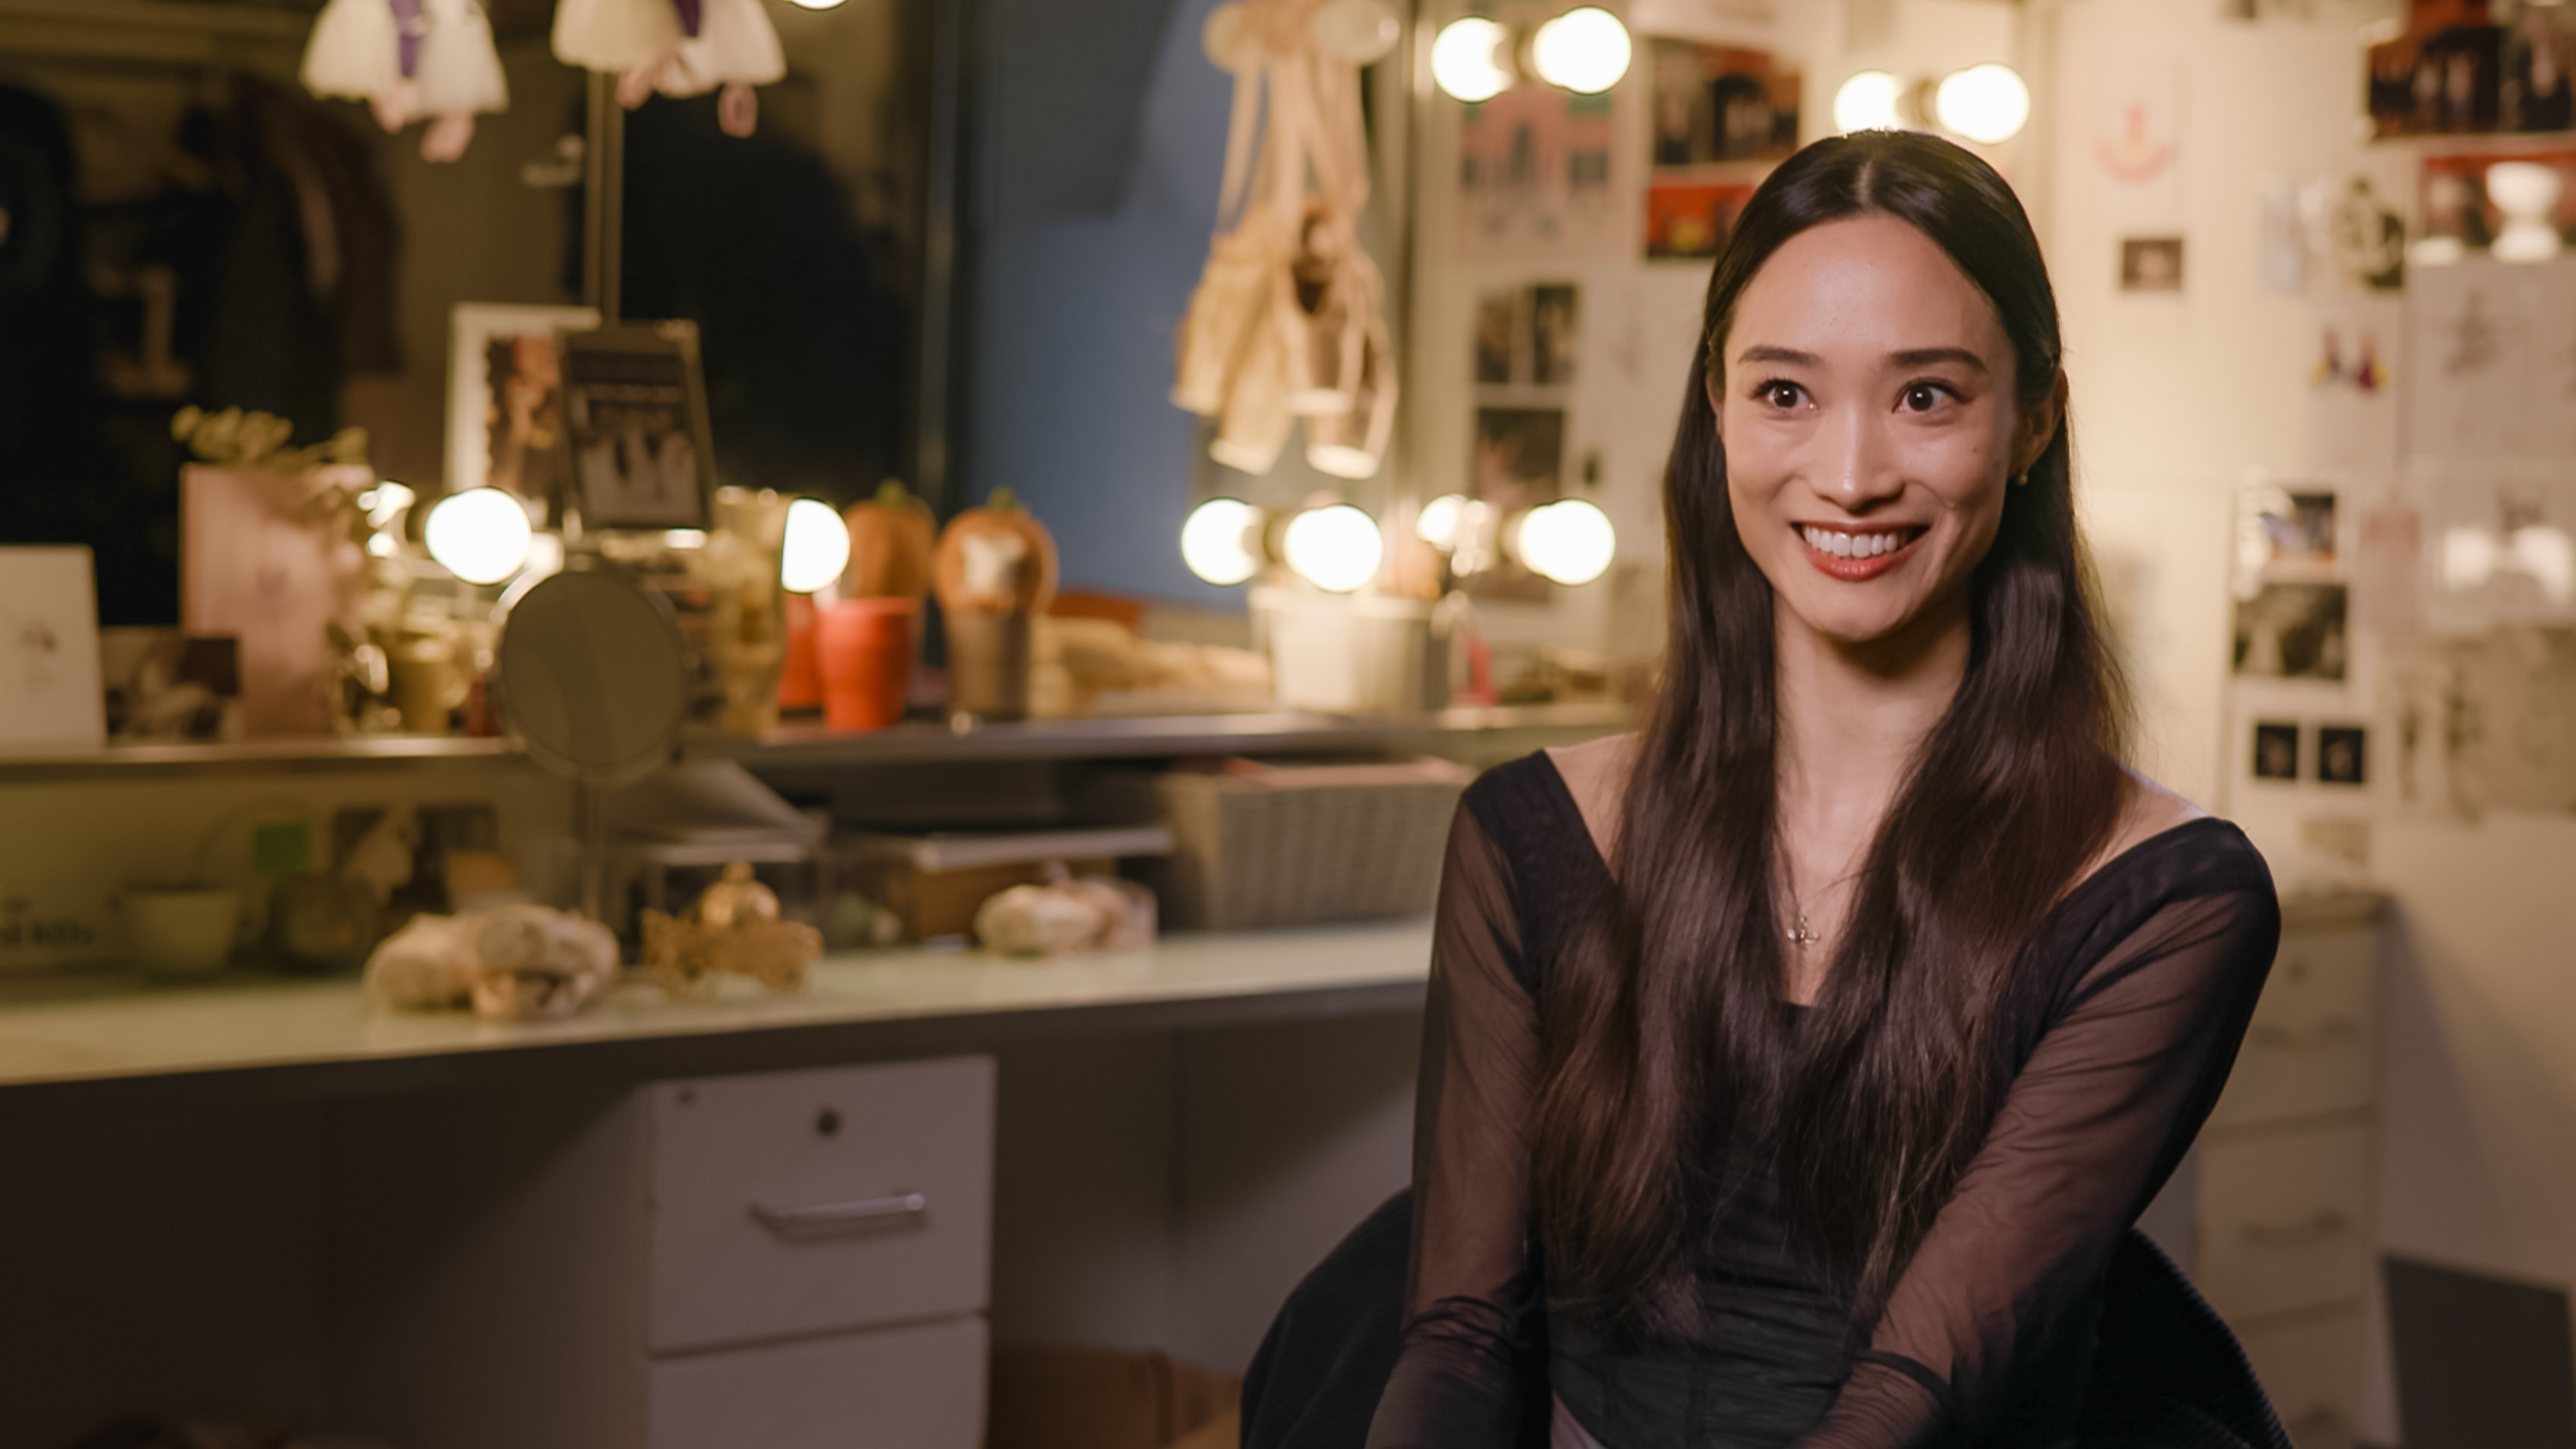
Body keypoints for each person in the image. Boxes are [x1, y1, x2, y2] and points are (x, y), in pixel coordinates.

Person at [1366, 131, 2281, 1448]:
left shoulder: (2164, 895)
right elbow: (1459, 1341)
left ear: (2033, 420)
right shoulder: (1530, 834)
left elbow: (1914, 1398)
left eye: (1927, 398)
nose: (1850, 475)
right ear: (1718, 407)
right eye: (1786, 393)